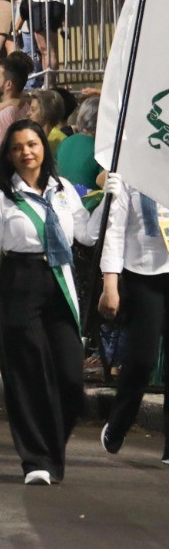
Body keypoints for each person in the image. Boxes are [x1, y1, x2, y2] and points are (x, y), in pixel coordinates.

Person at [0, 121, 98, 485]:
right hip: (19, 283)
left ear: (44, 147)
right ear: (10, 156)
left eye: (32, 144)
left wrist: (110, 202)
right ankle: (36, 460)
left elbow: (87, 235)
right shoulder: (2, 199)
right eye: (17, 147)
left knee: (71, 379)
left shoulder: (63, 192)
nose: (27, 152)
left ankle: (52, 448)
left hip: (59, 281)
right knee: (28, 375)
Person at [98, 174, 169, 462]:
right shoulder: (133, 170)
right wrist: (110, 284)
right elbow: (115, 230)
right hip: (142, 275)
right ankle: (119, 423)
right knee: (142, 359)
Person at [55, 97, 104, 207]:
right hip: (90, 210)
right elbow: (105, 183)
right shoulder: (101, 150)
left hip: (64, 205)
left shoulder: (65, 141)